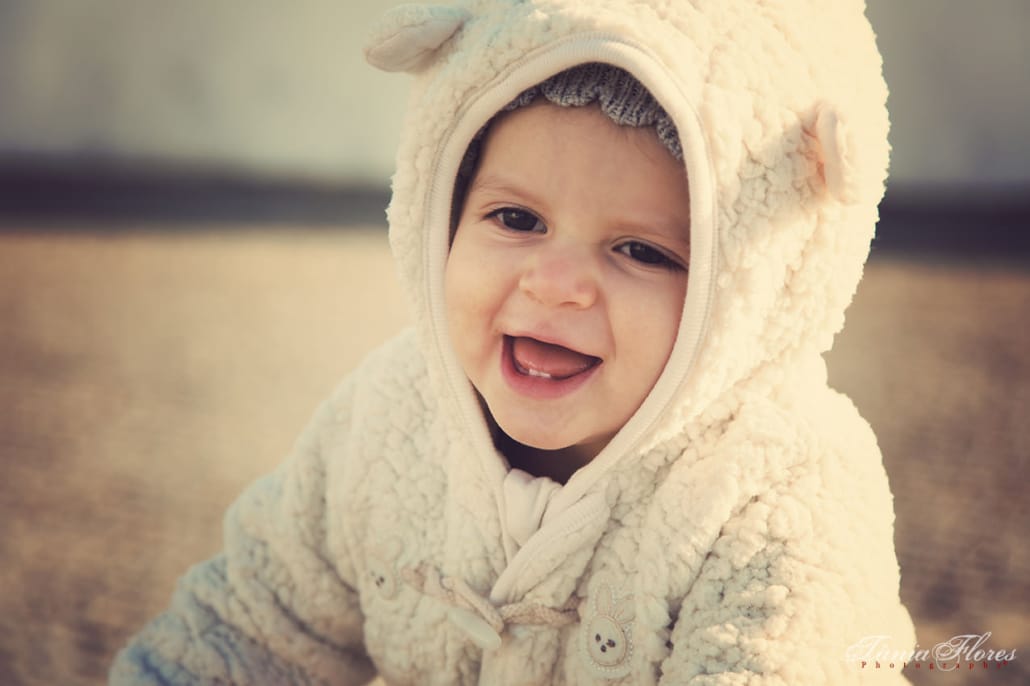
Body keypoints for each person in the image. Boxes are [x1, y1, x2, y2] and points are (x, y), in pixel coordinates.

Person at [111, 1, 915, 683]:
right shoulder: (388, 420)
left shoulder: (782, 502)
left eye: (641, 250)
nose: (555, 283)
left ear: (748, 293)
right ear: (440, 214)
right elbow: (246, 629)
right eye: (517, 218)